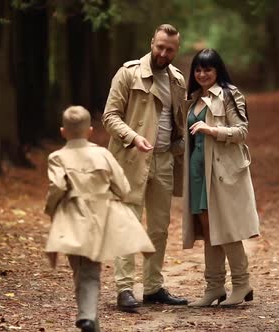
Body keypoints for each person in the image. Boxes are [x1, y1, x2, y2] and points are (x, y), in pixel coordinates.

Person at [44, 106, 155, 331]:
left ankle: (87, 316)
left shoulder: (57, 157)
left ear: (63, 131)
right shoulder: (103, 154)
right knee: (90, 271)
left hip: (72, 218)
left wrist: (51, 210)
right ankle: (89, 319)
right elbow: (123, 187)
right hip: (99, 218)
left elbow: (56, 187)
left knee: (80, 270)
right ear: (90, 131)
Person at [102, 24, 188, 312]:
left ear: (176, 50)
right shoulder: (127, 73)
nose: (163, 53)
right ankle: (124, 289)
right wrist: (133, 137)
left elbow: (178, 122)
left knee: (159, 228)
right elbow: (109, 116)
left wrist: (182, 146)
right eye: (160, 46)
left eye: (170, 49)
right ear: (152, 42)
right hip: (132, 159)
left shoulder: (177, 79)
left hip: (164, 160)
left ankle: (152, 287)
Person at [182, 48, 260, 307]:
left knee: (225, 227)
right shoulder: (192, 99)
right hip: (197, 170)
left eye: (208, 69)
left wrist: (211, 129)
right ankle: (214, 287)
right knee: (208, 228)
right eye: (198, 69)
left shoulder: (229, 94)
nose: (203, 74)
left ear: (217, 71)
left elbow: (242, 131)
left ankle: (241, 283)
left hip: (222, 170)